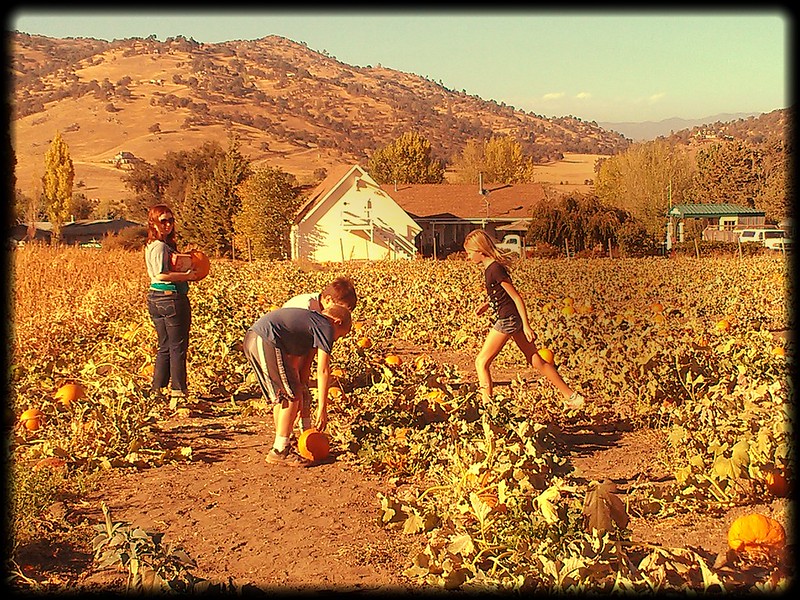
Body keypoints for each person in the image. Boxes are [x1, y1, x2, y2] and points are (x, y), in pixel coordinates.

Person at [463, 229, 585, 410]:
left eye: (470, 253)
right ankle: (573, 397)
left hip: (507, 320)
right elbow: (500, 295)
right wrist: (487, 304)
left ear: (480, 251)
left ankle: (488, 409)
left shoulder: (495, 269)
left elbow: (516, 297)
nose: (469, 257)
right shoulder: (490, 269)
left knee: (481, 362)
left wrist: (526, 326)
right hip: (509, 318)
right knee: (536, 360)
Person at [243, 305, 352, 466]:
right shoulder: (326, 327)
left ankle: (287, 440)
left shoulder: (308, 327)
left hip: (254, 339)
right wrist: (322, 408)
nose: (337, 339)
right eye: (341, 335)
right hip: (266, 339)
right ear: (337, 322)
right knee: (290, 396)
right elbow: (322, 370)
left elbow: (300, 369)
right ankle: (280, 450)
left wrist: (305, 426)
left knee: (284, 395)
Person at [282, 276, 357, 433]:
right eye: (343, 308)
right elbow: (297, 353)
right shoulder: (306, 308)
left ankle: (304, 431)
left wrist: (304, 380)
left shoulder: (324, 317)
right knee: (290, 394)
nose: (343, 314)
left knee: (301, 390)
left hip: (295, 349)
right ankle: (283, 441)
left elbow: (311, 353)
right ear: (328, 300)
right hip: (281, 348)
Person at [144, 204, 197, 404]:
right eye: (163, 221)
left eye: (170, 221)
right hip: (169, 298)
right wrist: (187, 276)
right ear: (154, 223)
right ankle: (178, 392)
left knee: (165, 346)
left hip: (157, 299)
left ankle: (157, 390)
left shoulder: (152, 245)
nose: (167, 225)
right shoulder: (159, 246)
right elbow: (161, 274)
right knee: (177, 346)